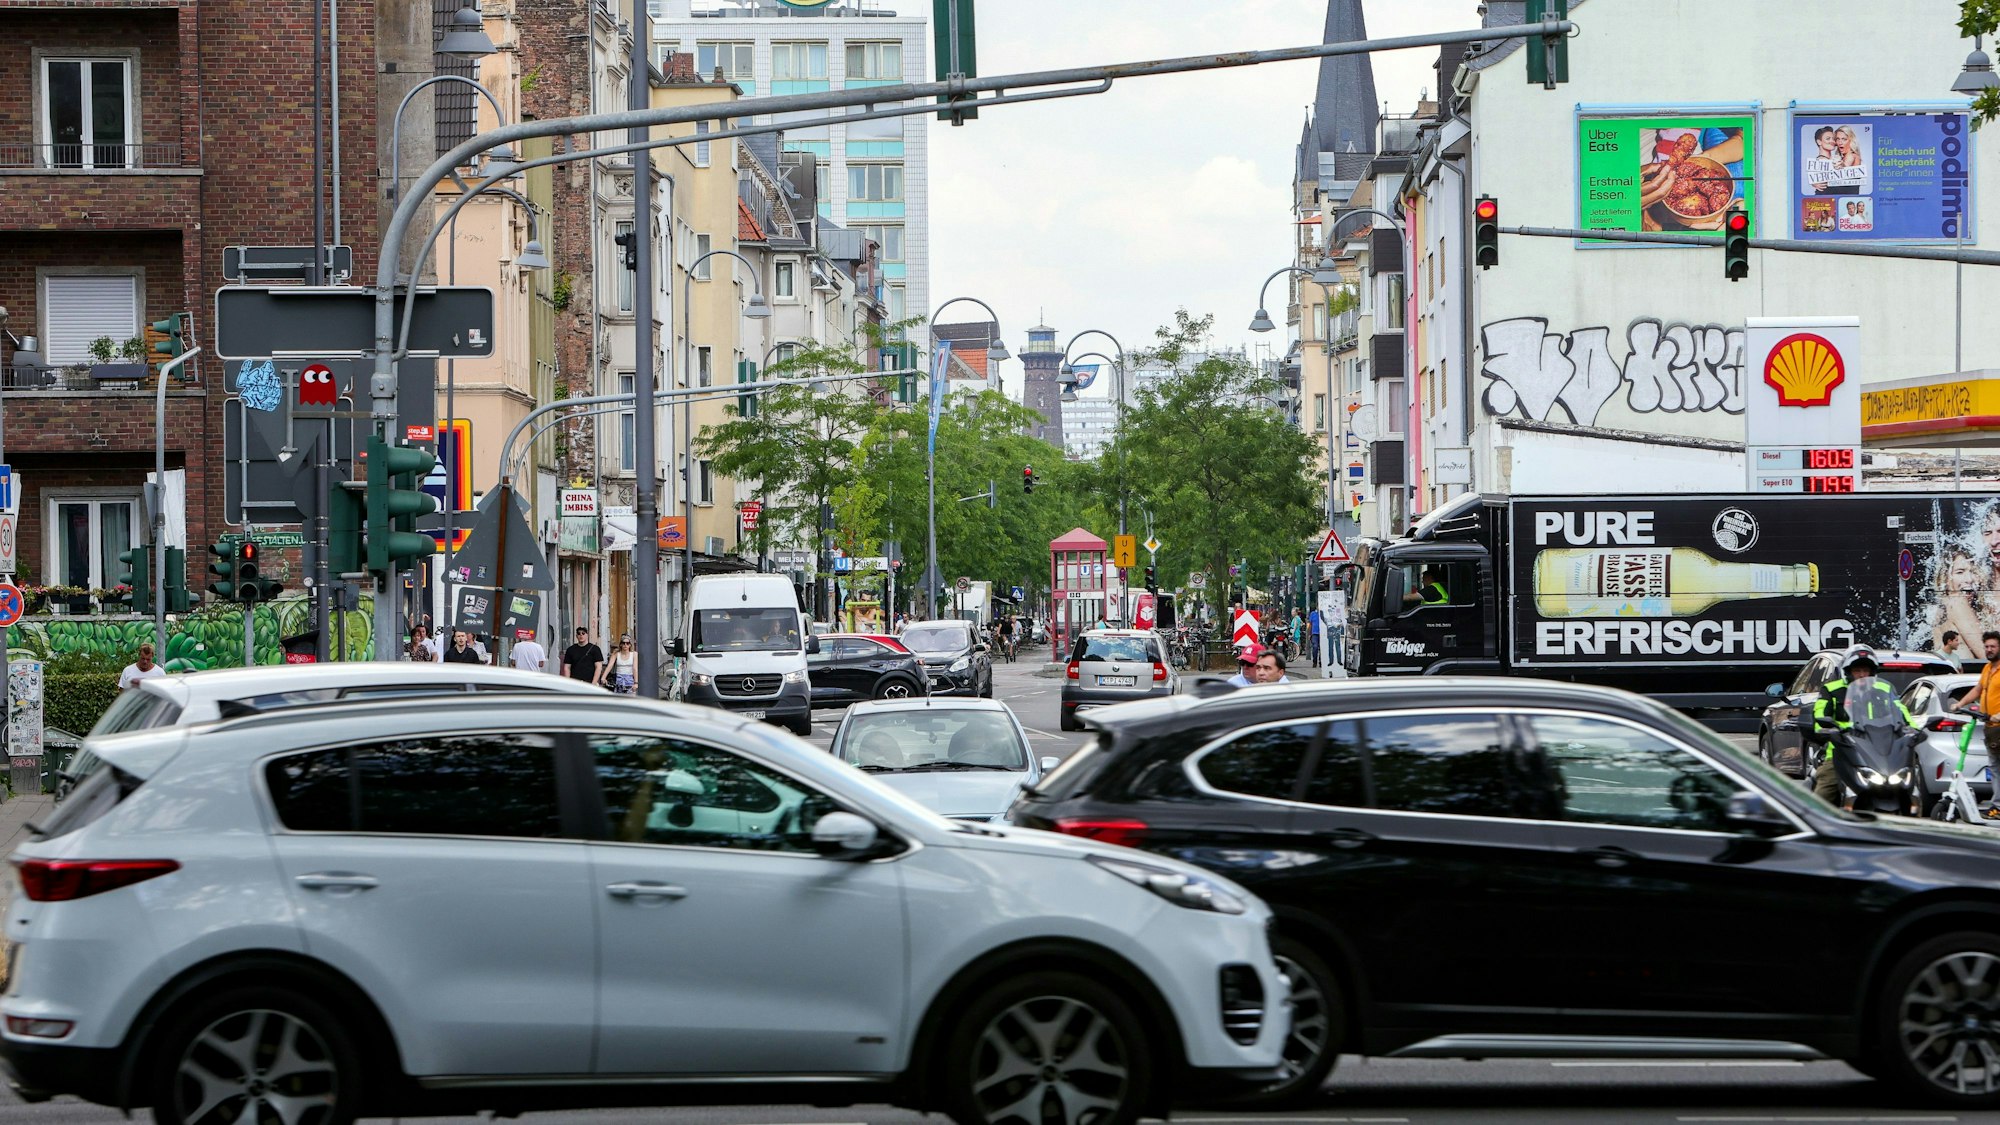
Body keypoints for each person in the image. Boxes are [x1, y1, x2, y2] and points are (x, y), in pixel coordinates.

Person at [1811, 645, 1915, 808]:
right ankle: (1814, 824)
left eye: (1865, 671)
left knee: (1910, 789)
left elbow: (1901, 711)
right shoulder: (1831, 690)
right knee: (1824, 791)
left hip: (1881, 752)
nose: (1861, 675)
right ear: (1848, 671)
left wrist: (1912, 730)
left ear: (1872, 672)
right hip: (1843, 750)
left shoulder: (1885, 688)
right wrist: (1824, 729)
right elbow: (1819, 714)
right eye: (1857, 671)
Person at [1957, 632, 2000, 765]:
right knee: (1994, 766)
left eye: (1993, 646)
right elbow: (1978, 689)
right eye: (1986, 647)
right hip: (1990, 727)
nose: (1989, 650)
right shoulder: (1987, 668)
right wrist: (1960, 703)